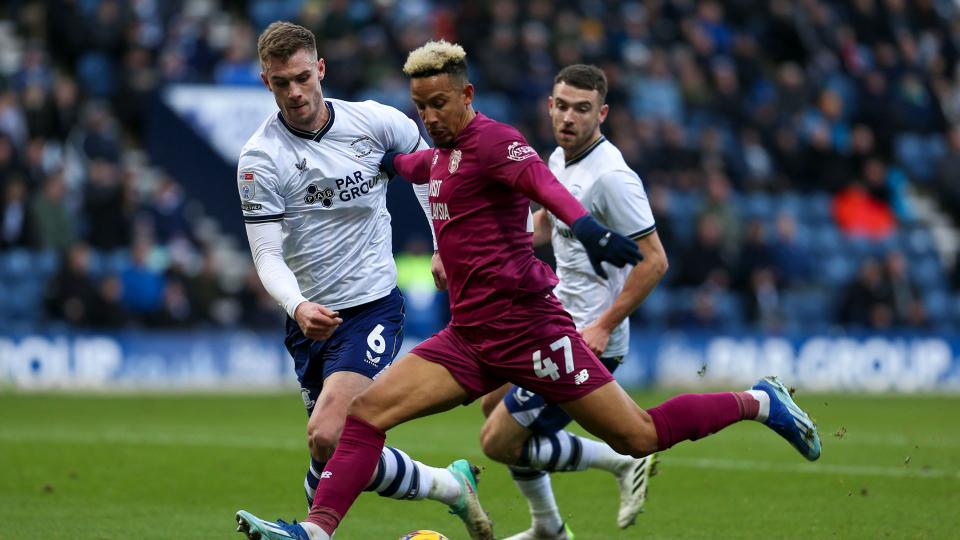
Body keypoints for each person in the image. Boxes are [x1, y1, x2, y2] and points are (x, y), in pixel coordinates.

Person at [235, 40, 821, 540]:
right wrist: (372, 160)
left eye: (440, 103)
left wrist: (589, 229)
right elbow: (407, 165)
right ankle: (313, 531)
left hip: (531, 332)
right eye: (421, 107)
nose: (431, 117)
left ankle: (761, 402)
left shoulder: (495, 143)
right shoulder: (437, 156)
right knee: (364, 416)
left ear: (466, 97)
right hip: (468, 338)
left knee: (637, 435)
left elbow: (542, 184)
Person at [234, 23, 491, 539]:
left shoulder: (376, 123)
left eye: (303, 77)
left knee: (329, 429)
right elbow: (266, 255)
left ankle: (314, 531)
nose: (296, 92)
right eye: (282, 83)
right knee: (332, 448)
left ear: (320, 69)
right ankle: (449, 485)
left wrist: (444, 244)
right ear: (267, 83)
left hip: (372, 308)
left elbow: (432, 176)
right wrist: (296, 305)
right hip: (310, 322)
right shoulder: (259, 160)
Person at [476, 64, 668, 540]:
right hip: (555, 324)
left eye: (582, 110)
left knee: (499, 441)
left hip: (587, 338)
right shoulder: (560, 159)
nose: (568, 118)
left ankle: (612, 468)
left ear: (601, 113)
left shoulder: (612, 178)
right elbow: (548, 225)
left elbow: (655, 262)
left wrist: (603, 326)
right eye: (561, 106)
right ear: (549, 106)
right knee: (491, 405)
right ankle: (548, 525)